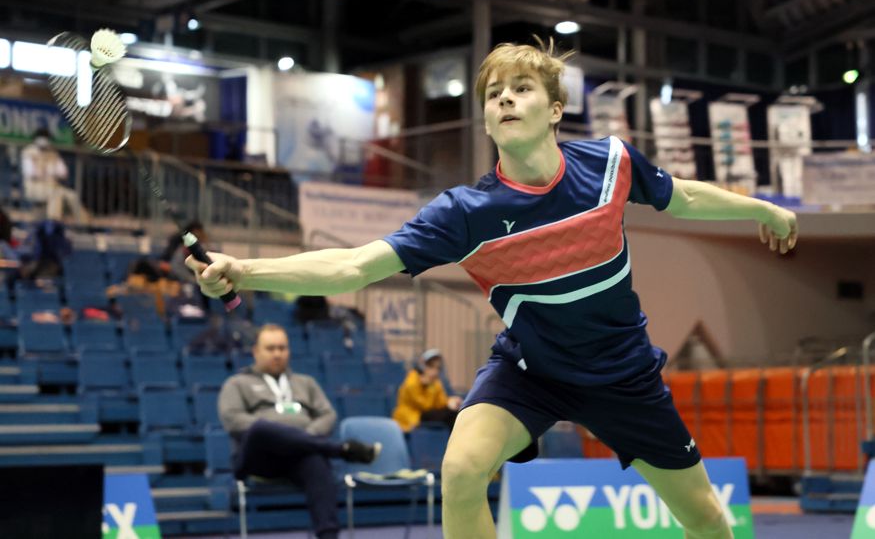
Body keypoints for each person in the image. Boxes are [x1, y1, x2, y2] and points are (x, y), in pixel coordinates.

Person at [190, 38, 798, 539]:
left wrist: (762, 210)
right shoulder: (466, 212)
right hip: (531, 370)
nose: (505, 98)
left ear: (555, 109)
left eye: (521, 88)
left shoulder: (610, 165)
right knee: (460, 468)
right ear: (486, 118)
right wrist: (246, 271)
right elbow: (354, 267)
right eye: (493, 93)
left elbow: (682, 196)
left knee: (706, 520)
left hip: (623, 374)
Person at [218, 324, 380, 539]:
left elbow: (327, 415)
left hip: (299, 455)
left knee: (316, 461)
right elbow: (233, 420)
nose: (277, 354)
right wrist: (281, 432)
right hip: (258, 458)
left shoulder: (306, 383)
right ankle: (340, 448)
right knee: (261, 428)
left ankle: (329, 535)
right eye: (270, 348)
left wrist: (305, 436)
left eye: (282, 348)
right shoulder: (237, 383)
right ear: (256, 351)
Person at [20, 129, 88, 224]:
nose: (45, 141)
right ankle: (53, 224)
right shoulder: (28, 152)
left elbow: (63, 172)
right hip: (35, 188)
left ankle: (84, 224)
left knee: (72, 195)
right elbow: (31, 173)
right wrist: (48, 172)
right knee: (55, 195)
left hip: (53, 186)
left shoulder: (53, 153)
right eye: (44, 138)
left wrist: (48, 171)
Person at [393, 348, 462, 432]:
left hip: (426, 414)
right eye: (431, 366)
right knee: (448, 414)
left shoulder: (435, 382)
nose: (435, 371)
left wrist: (450, 401)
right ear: (422, 366)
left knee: (455, 412)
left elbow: (440, 402)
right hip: (412, 417)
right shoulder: (412, 381)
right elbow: (423, 405)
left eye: (438, 368)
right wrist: (427, 386)